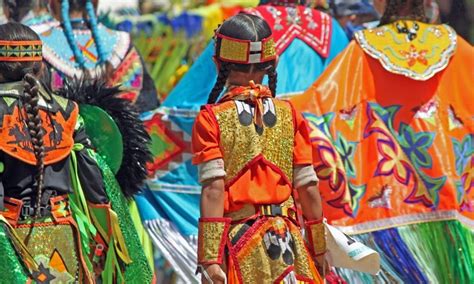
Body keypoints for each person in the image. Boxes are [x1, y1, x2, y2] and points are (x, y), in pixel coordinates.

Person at [292, 0, 473, 282]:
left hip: (388, 215)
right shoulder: (456, 47)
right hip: (456, 208)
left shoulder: (363, 49)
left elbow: (317, 109)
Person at [0, 22, 154, 283]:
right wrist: (106, 241)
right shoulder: (69, 112)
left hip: (9, 241)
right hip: (64, 237)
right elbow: (95, 184)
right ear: (39, 66)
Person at [192, 14, 326, 283]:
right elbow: (308, 188)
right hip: (290, 246)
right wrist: (319, 249)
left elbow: (214, 189)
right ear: (273, 63)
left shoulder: (211, 118)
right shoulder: (290, 114)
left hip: (242, 247)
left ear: (217, 64)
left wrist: (209, 259)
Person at [22, 0, 159, 113]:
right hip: (117, 141)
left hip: (58, 139)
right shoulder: (123, 44)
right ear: (95, 3)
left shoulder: (37, 45)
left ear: (53, 4)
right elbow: (146, 105)